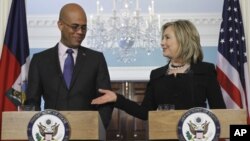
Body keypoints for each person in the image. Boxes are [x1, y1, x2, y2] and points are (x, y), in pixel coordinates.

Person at [91, 19, 226, 120]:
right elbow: (145, 113)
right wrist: (117, 99)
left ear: (183, 39)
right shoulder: (157, 75)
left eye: (167, 37)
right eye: (162, 38)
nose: (162, 42)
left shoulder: (206, 71)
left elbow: (220, 112)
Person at [25, 3, 113, 128]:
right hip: (53, 133)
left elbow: (106, 101)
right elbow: (32, 102)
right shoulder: (40, 60)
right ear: (60, 25)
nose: (80, 32)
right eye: (75, 27)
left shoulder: (96, 59)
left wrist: (99, 128)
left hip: (88, 132)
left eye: (84, 27)